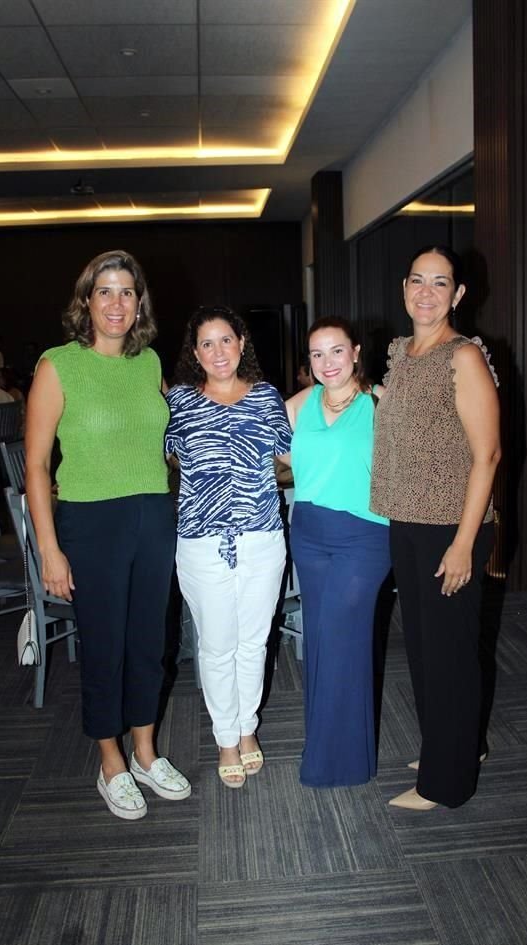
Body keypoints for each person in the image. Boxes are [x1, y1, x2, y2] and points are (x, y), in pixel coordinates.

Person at [25, 249, 190, 821]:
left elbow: (171, 435)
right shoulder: (57, 365)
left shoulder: (148, 364)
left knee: (151, 641)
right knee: (105, 646)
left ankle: (146, 750)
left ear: (138, 302)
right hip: (90, 521)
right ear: (86, 302)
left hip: (152, 514)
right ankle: (110, 759)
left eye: (126, 292)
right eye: (105, 292)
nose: (116, 303)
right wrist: (49, 547)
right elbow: (37, 467)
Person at [371, 245, 501, 810]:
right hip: (408, 522)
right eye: (418, 280)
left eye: (440, 283)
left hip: (452, 527)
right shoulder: (402, 352)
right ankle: (454, 746)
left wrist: (465, 544)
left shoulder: (462, 356)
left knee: (447, 657)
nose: (427, 292)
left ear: (458, 294)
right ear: (404, 288)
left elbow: (488, 456)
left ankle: (446, 785)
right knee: (426, 653)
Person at [165, 306, 291, 788]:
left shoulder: (265, 397)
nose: (218, 352)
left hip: (262, 538)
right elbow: (154, 458)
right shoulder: (177, 402)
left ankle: (246, 728)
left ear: (241, 342)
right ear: (195, 353)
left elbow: (288, 458)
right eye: (206, 344)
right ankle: (225, 738)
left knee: (254, 641)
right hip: (200, 542)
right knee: (217, 646)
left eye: (225, 340)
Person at [284, 316, 390, 788]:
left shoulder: (380, 402)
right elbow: (261, 448)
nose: (327, 362)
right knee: (323, 640)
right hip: (308, 533)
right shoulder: (298, 405)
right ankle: (339, 751)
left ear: (356, 352)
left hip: (365, 537)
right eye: (317, 354)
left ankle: (333, 760)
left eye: (337, 351)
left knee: (342, 635)